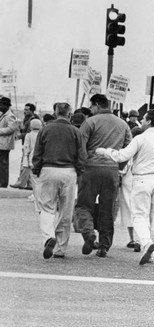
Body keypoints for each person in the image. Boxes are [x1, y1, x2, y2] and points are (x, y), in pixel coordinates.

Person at [96, 107, 154, 265]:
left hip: (142, 180)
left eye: (143, 119)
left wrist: (104, 151)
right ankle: (152, 253)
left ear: (148, 121)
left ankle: (147, 242)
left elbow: (122, 155)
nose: (141, 121)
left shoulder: (140, 139)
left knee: (139, 216)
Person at [73, 94, 132, 257]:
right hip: (112, 170)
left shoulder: (90, 122)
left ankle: (89, 233)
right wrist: (118, 166)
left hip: (91, 169)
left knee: (84, 205)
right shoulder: (123, 124)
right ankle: (104, 245)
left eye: (92, 107)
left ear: (97, 105)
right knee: (107, 208)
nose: (91, 110)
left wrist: (82, 165)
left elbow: (80, 145)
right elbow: (128, 149)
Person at [32, 102, 86, 259]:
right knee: (66, 211)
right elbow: (82, 156)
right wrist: (79, 171)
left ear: (55, 113)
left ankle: (49, 236)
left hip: (48, 169)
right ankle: (60, 249)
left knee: (46, 207)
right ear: (69, 114)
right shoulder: (76, 132)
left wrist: (37, 169)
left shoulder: (45, 129)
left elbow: (37, 153)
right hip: (69, 172)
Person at [10, 103, 41, 189]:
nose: (25, 111)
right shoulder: (27, 118)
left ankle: (22, 182)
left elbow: (29, 132)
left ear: (32, 111)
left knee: (26, 164)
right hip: (27, 143)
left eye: (27, 110)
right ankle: (28, 183)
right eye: (25, 109)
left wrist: (20, 135)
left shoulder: (34, 119)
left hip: (30, 144)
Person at [22, 118, 42, 212]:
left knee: (34, 182)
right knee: (40, 181)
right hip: (41, 161)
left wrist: (25, 162)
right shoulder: (42, 134)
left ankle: (37, 201)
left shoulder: (28, 135)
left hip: (31, 160)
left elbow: (26, 149)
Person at [0, 96, 18, 188]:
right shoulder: (4, 115)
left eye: (1, 105)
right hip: (2, 143)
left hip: (4, 144)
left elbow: (11, 129)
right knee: (2, 163)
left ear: (6, 106)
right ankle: (2, 182)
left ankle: (3, 183)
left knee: (3, 164)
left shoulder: (10, 116)